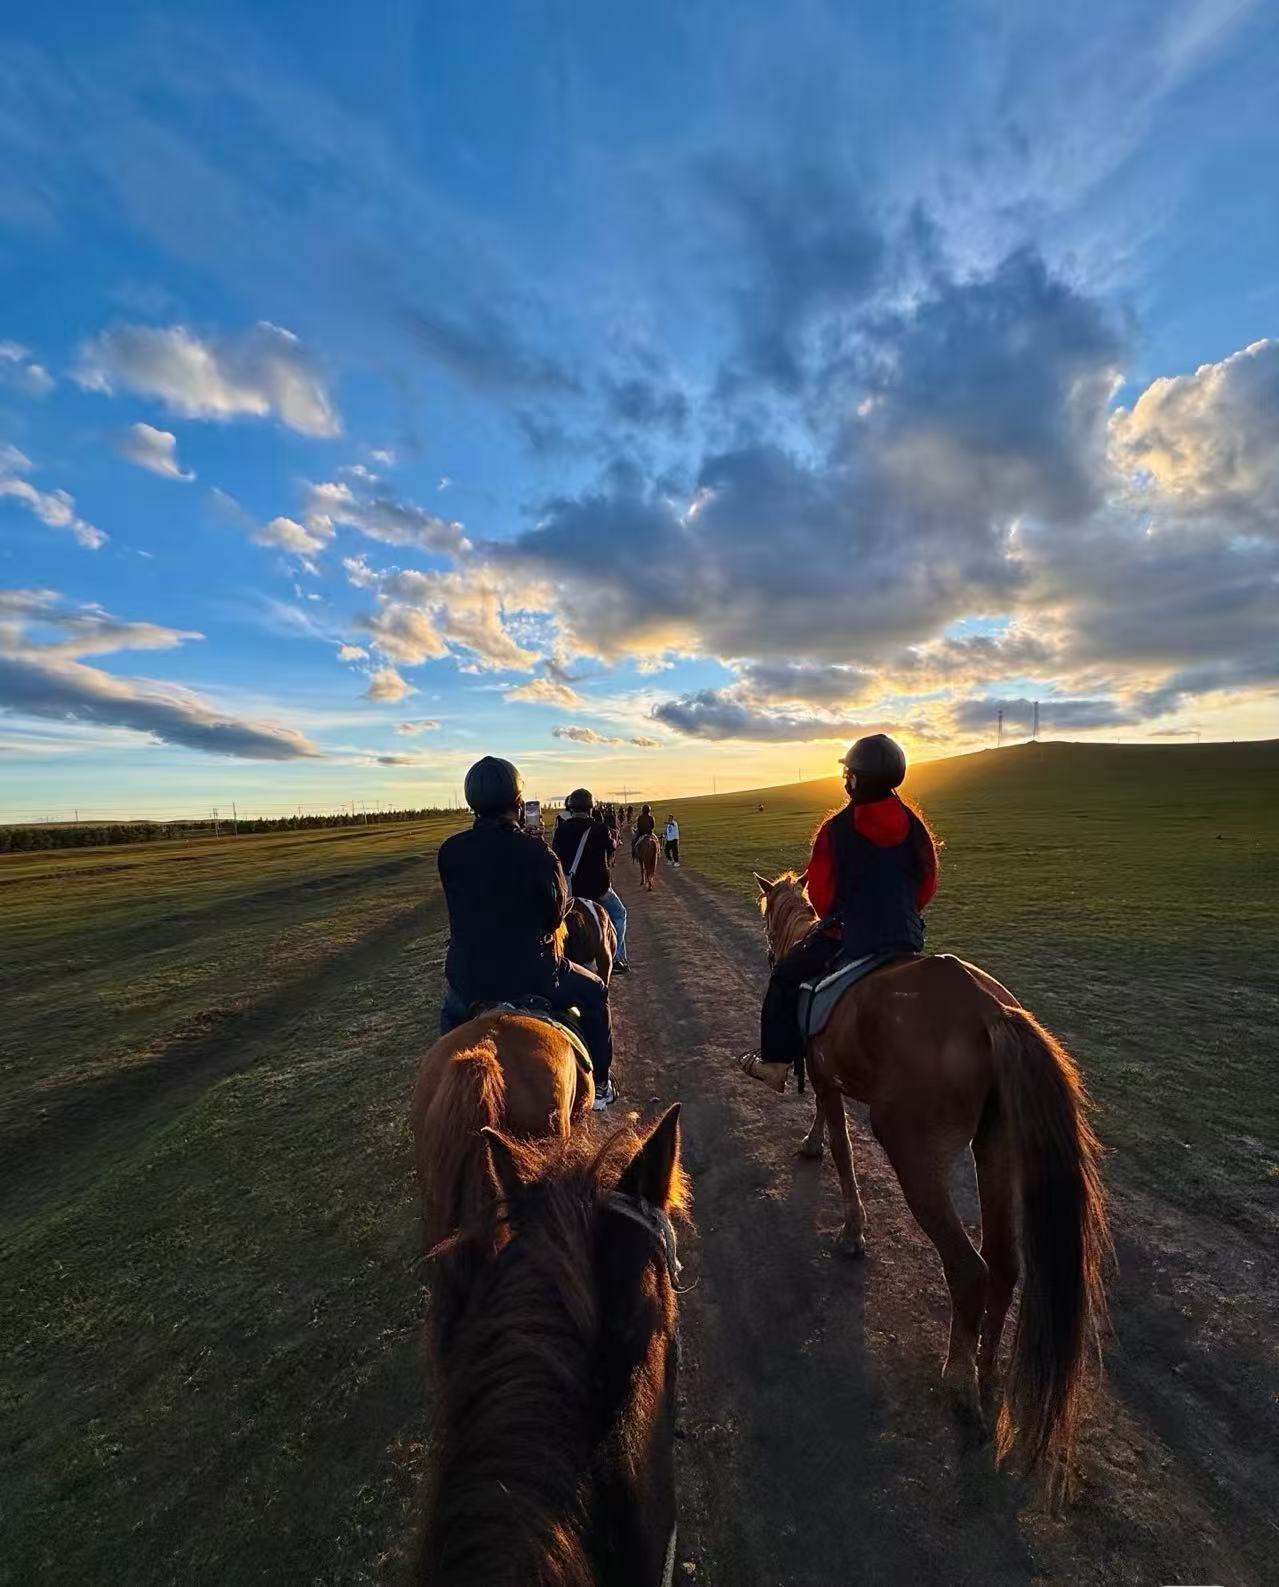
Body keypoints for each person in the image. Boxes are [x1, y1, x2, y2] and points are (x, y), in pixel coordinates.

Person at [737, 734, 938, 1093]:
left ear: (856, 779)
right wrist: (900, 912)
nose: (846, 780)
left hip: (850, 938)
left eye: (848, 774)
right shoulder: (916, 826)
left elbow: (822, 895)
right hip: (904, 936)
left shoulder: (836, 829)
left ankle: (774, 1064)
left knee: (783, 976)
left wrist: (842, 920)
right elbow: (927, 884)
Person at [438, 756, 618, 1107]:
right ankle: (601, 1082)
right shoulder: (538, 853)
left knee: (450, 1015)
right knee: (596, 992)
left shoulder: (449, 852)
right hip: (536, 975)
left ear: (471, 804)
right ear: (519, 806)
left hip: (469, 976)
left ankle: (446, 1079)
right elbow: (555, 916)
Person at [551, 787, 631, 974]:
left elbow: (555, 855)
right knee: (619, 915)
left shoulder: (561, 830)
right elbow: (611, 847)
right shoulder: (599, 828)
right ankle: (617, 957)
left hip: (572, 890)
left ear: (571, 808)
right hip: (599, 889)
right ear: (590, 808)